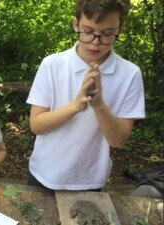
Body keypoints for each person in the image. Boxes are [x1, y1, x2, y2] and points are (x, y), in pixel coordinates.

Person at [26, 0, 145, 191]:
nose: (96, 42)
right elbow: (36, 125)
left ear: (120, 28)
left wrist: (99, 105)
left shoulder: (130, 74)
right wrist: (76, 106)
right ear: (76, 24)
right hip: (43, 174)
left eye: (106, 34)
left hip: (90, 180)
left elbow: (118, 140)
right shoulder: (52, 65)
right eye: (88, 31)